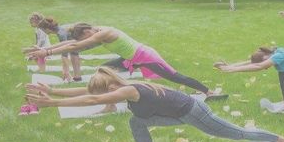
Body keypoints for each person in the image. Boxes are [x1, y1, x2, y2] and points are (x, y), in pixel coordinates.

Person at [25, 68, 284, 142]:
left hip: (192, 111)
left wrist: (52, 104)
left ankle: (281, 140)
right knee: (137, 122)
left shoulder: (126, 90)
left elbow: (89, 100)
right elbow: (88, 94)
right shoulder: (121, 86)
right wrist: (54, 92)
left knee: (237, 134)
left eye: (102, 92)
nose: (101, 96)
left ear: (110, 86)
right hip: (176, 113)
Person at [25, 24, 226, 106]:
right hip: (131, 59)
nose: (88, 38)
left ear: (88, 30)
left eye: (85, 35)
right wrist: (46, 50)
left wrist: (47, 52)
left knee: (175, 77)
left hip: (145, 56)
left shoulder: (104, 32)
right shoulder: (95, 30)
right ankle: (110, 103)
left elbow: (77, 44)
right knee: (102, 73)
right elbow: (72, 43)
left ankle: (208, 92)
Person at [28, 13, 83, 82]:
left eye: (43, 29)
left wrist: (66, 71)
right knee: (74, 53)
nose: (43, 31)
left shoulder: (61, 34)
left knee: (73, 53)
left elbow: (64, 54)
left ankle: (75, 76)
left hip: (84, 38)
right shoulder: (60, 30)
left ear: (47, 29)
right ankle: (77, 77)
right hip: (76, 40)